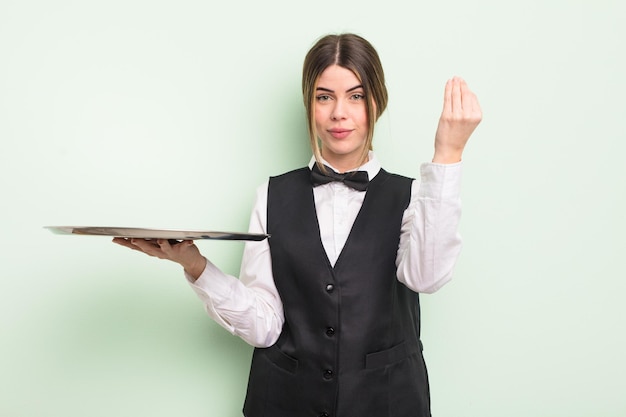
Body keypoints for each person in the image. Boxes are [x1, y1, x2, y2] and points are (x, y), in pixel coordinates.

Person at [114, 33, 481, 417]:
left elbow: (426, 277)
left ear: (376, 103)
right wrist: (195, 266)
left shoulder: (416, 197)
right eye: (324, 97)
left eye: (355, 96)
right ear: (310, 104)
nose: (339, 112)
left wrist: (448, 154)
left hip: (387, 403)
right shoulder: (271, 195)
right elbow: (265, 327)